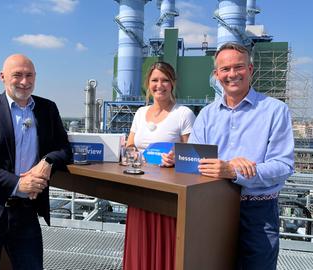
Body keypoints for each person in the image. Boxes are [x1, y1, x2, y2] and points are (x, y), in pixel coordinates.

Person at [0, 54, 72, 270]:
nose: (24, 82)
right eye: (17, 75)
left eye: (29, 75)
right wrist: (17, 184)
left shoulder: (47, 109)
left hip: (25, 212)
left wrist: (47, 161)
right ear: (3, 76)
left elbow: (64, 148)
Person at [189, 42, 294, 270]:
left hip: (257, 212)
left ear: (251, 70)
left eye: (239, 67)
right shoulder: (206, 115)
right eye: (225, 69)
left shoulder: (275, 111)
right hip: (211, 208)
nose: (232, 74)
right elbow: (194, 161)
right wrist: (177, 158)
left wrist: (235, 171)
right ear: (216, 75)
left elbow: (283, 166)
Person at [123, 61, 196, 270]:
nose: (159, 85)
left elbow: (192, 156)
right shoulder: (139, 113)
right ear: (148, 84)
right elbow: (129, 147)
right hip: (138, 189)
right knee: (140, 244)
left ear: (172, 83)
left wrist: (176, 159)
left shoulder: (183, 114)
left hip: (167, 195)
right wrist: (134, 154)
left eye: (165, 80)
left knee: (165, 248)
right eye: (155, 80)